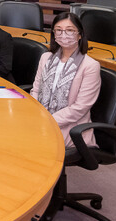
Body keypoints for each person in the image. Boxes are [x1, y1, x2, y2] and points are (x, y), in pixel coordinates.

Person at [30, 12, 101, 148]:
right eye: (59, 30)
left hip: (70, 128)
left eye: (70, 30)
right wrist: (36, 115)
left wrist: (46, 120)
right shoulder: (46, 57)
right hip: (41, 119)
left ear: (79, 34)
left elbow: (80, 108)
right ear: (53, 34)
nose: (64, 35)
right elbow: (36, 90)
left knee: (26, 142)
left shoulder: (90, 66)